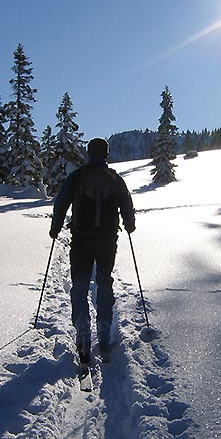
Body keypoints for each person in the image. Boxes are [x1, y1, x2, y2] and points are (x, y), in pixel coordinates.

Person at [50, 137, 136, 364]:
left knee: (80, 283)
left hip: (81, 240)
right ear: (106, 154)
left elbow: (61, 202)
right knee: (104, 281)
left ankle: (82, 329)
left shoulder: (77, 177)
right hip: (107, 241)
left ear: (88, 153)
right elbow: (127, 204)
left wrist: (55, 227)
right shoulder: (115, 179)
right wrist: (129, 225)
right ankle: (104, 331)